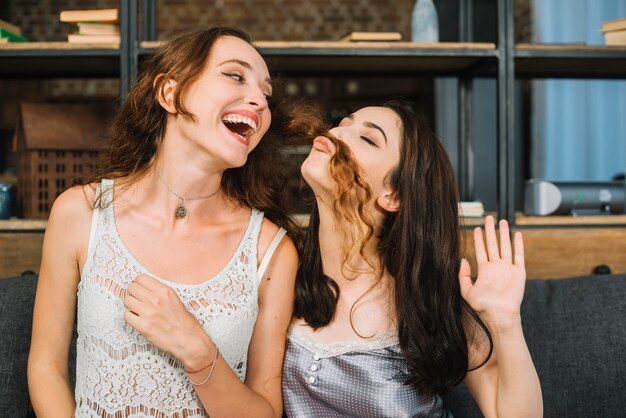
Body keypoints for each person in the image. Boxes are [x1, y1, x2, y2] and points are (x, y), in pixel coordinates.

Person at [28, 27, 299, 418]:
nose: (258, 100)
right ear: (169, 93)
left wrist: (197, 349)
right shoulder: (78, 212)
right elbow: (45, 367)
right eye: (235, 76)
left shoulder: (270, 251)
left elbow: (265, 411)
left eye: (266, 94)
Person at [282, 99, 543, 417]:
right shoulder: (280, 275)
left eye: (368, 138)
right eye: (343, 123)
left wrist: (506, 322)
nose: (336, 133)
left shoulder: (428, 303)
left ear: (393, 195)